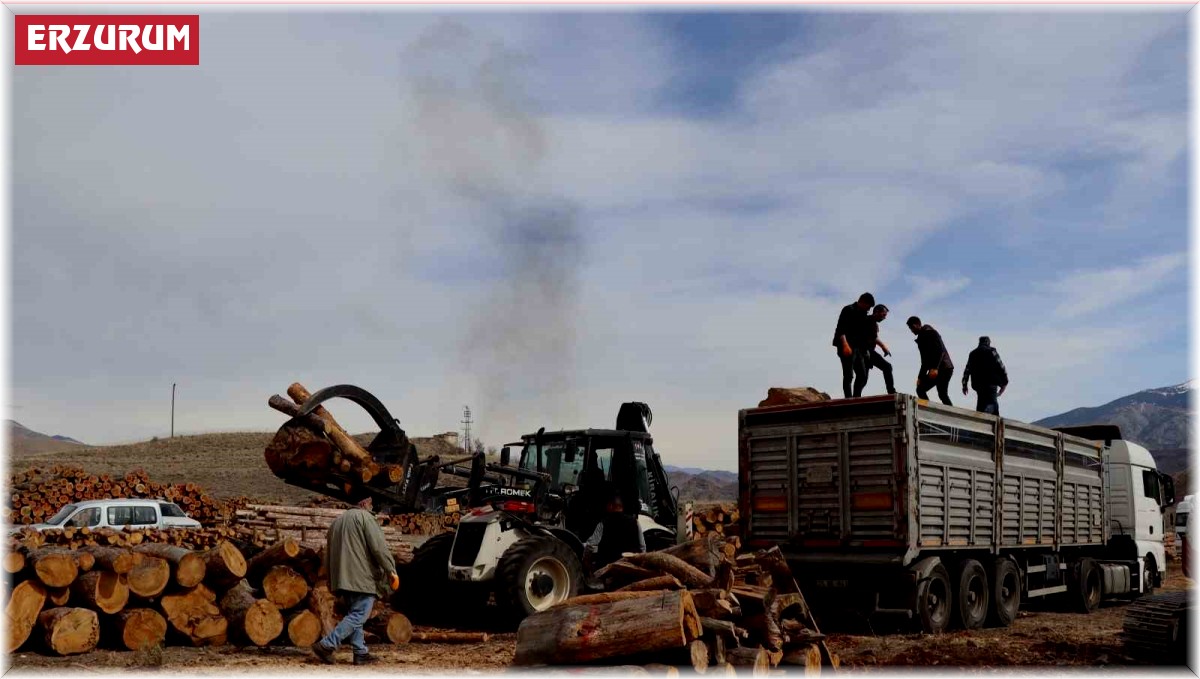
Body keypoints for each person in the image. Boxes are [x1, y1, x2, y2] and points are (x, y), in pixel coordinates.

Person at [312, 497, 399, 665]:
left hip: (342, 579)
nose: (372, 506)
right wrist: (391, 570)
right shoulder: (366, 518)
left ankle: (360, 653)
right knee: (359, 615)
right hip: (361, 578)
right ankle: (327, 645)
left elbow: (327, 555)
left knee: (354, 614)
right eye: (371, 503)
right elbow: (378, 548)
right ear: (364, 503)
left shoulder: (336, 522)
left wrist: (331, 580)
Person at [583, 494, 646, 572]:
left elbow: (591, 545)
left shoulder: (603, 523)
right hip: (631, 566)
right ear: (622, 507)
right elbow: (642, 547)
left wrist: (586, 560)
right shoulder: (635, 522)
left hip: (608, 568)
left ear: (610, 506)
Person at [833, 292, 875, 399]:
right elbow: (840, 329)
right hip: (845, 346)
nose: (868, 309)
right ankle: (848, 399)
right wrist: (845, 344)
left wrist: (866, 351)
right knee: (849, 376)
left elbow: (864, 334)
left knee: (862, 375)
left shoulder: (863, 314)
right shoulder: (848, 309)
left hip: (857, 348)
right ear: (862, 302)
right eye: (868, 306)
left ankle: (856, 398)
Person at [907, 316, 954, 405]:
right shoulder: (921, 338)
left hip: (944, 368)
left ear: (917, 325)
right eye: (910, 329)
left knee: (942, 394)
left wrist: (935, 368)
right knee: (920, 389)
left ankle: (953, 417)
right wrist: (920, 377)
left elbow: (940, 351)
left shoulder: (931, 333)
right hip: (936, 369)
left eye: (912, 328)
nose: (911, 330)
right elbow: (924, 361)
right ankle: (928, 410)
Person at [962, 336, 1009, 415]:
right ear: (988, 342)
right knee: (993, 405)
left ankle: (979, 422)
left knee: (981, 404)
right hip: (991, 383)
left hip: (978, 385)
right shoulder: (992, 351)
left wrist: (964, 385)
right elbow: (1001, 366)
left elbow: (967, 370)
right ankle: (993, 421)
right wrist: (1005, 382)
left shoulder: (973, 353)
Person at [860, 304, 896, 396]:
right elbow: (874, 337)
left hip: (866, 352)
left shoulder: (872, 322)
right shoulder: (870, 320)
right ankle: (891, 392)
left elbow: (874, 337)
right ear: (876, 312)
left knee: (863, 379)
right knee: (887, 367)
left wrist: (883, 346)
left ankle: (855, 397)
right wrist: (883, 346)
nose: (884, 318)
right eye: (883, 315)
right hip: (865, 351)